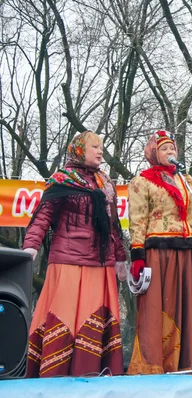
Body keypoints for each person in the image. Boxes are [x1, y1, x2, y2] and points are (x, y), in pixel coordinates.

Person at [22, 131, 126, 377]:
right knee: (65, 317)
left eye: (101, 147)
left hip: (101, 264)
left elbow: (114, 225)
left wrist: (121, 257)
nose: (100, 151)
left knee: (96, 317)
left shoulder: (106, 183)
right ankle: (54, 376)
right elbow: (42, 216)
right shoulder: (62, 179)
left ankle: (94, 374)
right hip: (68, 261)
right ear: (79, 150)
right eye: (94, 147)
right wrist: (31, 246)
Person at [127, 130, 192, 374]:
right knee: (160, 305)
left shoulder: (185, 181)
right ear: (154, 153)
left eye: (173, 149)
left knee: (188, 303)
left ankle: (189, 361)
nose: (171, 152)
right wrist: (137, 254)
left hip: (186, 250)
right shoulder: (142, 181)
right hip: (159, 251)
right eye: (165, 149)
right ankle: (157, 363)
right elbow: (137, 220)